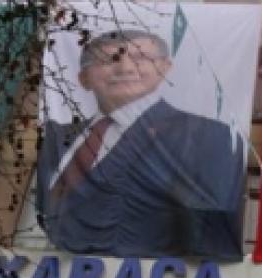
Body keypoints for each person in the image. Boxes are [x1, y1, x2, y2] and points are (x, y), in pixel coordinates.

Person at [38, 29, 245, 260]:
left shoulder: (206, 135)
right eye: (108, 60)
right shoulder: (58, 139)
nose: (125, 68)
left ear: (164, 68)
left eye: (141, 57)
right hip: (53, 271)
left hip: (149, 277)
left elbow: (211, 228)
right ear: (83, 78)